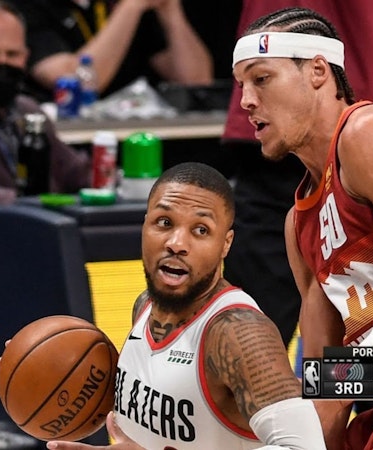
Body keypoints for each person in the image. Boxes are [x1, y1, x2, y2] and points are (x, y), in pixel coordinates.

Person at [231, 6, 373, 450]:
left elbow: (344, 380)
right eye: (241, 86)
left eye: (261, 78)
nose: (246, 101)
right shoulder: (299, 224)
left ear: (318, 71)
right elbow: (327, 394)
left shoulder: (371, 133)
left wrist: (357, 372)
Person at [39, 162, 326, 449]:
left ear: (226, 244)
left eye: (200, 230)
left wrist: (337, 387)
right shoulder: (144, 307)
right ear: (144, 225)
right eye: (164, 222)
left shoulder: (238, 332)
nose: (176, 243)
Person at [0, 0, 90, 207]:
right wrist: (51, 205)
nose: (2, 63)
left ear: (26, 56)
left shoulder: (27, 111)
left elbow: (77, 172)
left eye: (12, 54)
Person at [8, 0, 214, 102]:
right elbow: (76, 82)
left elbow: (196, 80)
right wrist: (130, 7)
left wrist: (170, 11)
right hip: (68, 143)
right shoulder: (25, 7)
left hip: (135, 135)